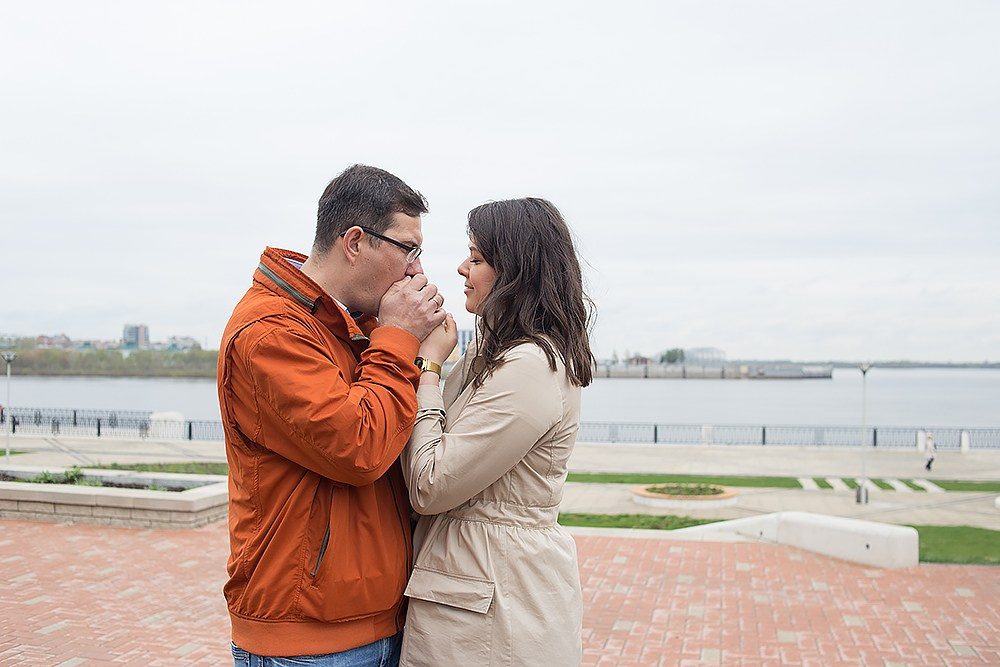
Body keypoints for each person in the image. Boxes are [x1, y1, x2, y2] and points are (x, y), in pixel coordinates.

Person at [218, 164, 447, 666]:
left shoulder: (345, 327)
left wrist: (413, 353)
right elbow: (359, 448)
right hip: (306, 641)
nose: (417, 271)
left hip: (375, 622)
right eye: (409, 250)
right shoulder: (270, 333)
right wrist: (399, 338)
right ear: (356, 242)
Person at [398, 197, 596, 666]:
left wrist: (428, 367)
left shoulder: (529, 365)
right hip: (479, 589)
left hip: (490, 605)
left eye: (478, 258)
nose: (462, 267)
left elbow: (430, 483)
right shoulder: (496, 355)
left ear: (515, 272)